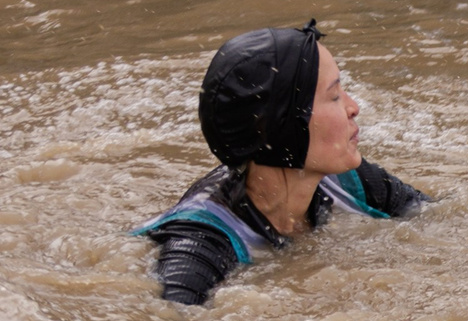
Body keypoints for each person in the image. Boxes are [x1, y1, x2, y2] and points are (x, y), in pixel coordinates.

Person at [135, 23, 428, 305]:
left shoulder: (350, 182)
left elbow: (443, 219)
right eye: (335, 95)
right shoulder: (199, 243)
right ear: (283, 126)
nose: (353, 107)